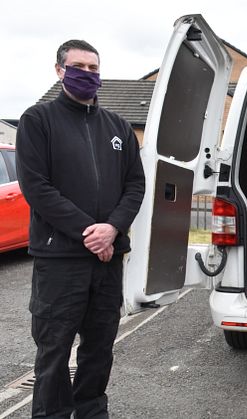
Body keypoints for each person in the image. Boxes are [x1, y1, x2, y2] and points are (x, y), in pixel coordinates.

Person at [16, 40, 145, 418]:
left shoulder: (118, 126)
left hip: (107, 259)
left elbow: (135, 185)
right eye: (78, 66)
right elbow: (37, 187)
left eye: (93, 68)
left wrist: (113, 229)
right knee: (54, 347)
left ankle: (91, 410)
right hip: (60, 258)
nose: (87, 74)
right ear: (59, 70)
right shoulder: (38, 121)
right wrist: (92, 232)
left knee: (100, 345)